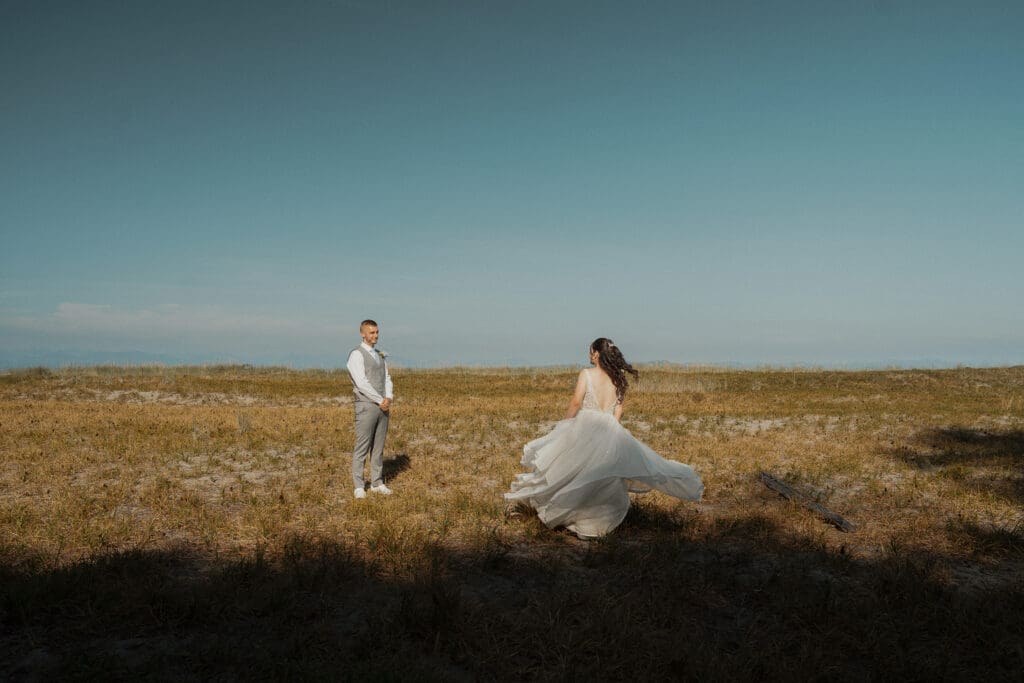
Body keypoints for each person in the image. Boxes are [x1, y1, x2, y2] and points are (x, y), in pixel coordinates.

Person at [505, 338, 702, 538]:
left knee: (573, 468)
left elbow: (575, 402)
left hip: (586, 424)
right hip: (609, 426)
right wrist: (613, 427)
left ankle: (567, 511)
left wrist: (563, 426)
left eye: (591, 351)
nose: (589, 355)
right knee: (602, 473)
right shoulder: (618, 377)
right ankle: (594, 517)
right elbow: (619, 407)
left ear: (597, 354)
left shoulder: (586, 374)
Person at [346, 319, 394, 499]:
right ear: (363, 333)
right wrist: (379, 399)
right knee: (362, 445)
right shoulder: (356, 355)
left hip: (383, 406)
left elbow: (387, 377)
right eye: (371, 332)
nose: (375, 336)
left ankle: (377, 482)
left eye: (376, 332)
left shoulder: (380, 355)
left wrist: (388, 397)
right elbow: (361, 383)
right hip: (366, 405)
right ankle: (358, 486)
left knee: (378, 446)